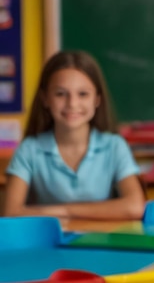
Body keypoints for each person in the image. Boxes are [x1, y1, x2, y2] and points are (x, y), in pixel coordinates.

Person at [3, 50, 146, 220]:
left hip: (102, 242)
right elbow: (10, 213)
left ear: (97, 99)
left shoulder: (115, 146)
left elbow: (135, 206)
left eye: (83, 94)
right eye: (60, 94)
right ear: (45, 98)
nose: (72, 103)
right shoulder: (29, 149)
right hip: (50, 244)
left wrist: (64, 211)